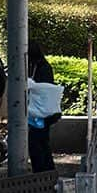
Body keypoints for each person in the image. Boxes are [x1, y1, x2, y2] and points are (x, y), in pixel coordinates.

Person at [27, 41, 61, 174]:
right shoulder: (42, 66)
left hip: (39, 113)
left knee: (37, 143)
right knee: (42, 142)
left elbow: (41, 88)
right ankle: (47, 170)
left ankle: (42, 171)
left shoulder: (40, 68)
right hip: (41, 112)